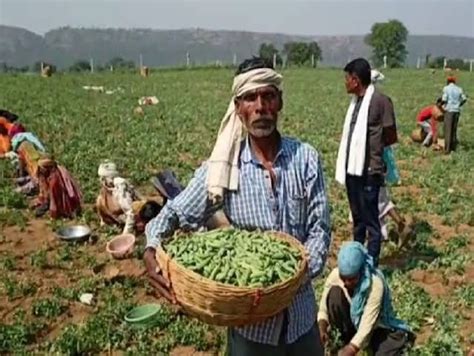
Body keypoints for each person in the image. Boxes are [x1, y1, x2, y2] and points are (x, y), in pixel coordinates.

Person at [144, 57, 331, 356]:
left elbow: (319, 230)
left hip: (301, 319)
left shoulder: (305, 159)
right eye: (250, 98)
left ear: (280, 101)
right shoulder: (222, 169)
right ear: (238, 107)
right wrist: (150, 249)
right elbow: (174, 213)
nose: (260, 106)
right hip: (251, 328)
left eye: (268, 95)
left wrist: (295, 277)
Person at [335, 58, 398, 266]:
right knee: (358, 219)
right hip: (352, 169)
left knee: (372, 221)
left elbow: (390, 135)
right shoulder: (355, 104)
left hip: (370, 169)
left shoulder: (381, 101)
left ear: (355, 80)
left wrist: (375, 152)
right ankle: (357, 259)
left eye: (347, 79)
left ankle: (371, 264)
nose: (345, 83)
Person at [318, 241, 415, 356]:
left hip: (376, 328)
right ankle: (345, 339)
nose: (346, 283)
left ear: (361, 270)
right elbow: (323, 308)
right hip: (351, 325)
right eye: (343, 278)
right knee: (334, 294)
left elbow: (367, 324)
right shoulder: (335, 275)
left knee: (385, 350)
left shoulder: (375, 285)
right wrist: (322, 328)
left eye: (352, 279)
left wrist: (351, 349)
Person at [96, 161, 163, 234]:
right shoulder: (107, 188)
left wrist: (126, 232)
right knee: (99, 201)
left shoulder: (120, 188)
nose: (101, 180)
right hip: (119, 214)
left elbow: (130, 212)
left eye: (103, 178)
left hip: (129, 213)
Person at [442, 76, 467, 153]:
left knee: (448, 130)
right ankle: (453, 147)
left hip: (449, 110)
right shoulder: (459, 89)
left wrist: (442, 105)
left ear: (448, 81)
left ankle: (447, 149)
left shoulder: (446, 88)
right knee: (454, 129)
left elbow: (444, 99)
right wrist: (459, 104)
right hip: (456, 111)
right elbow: (464, 98)